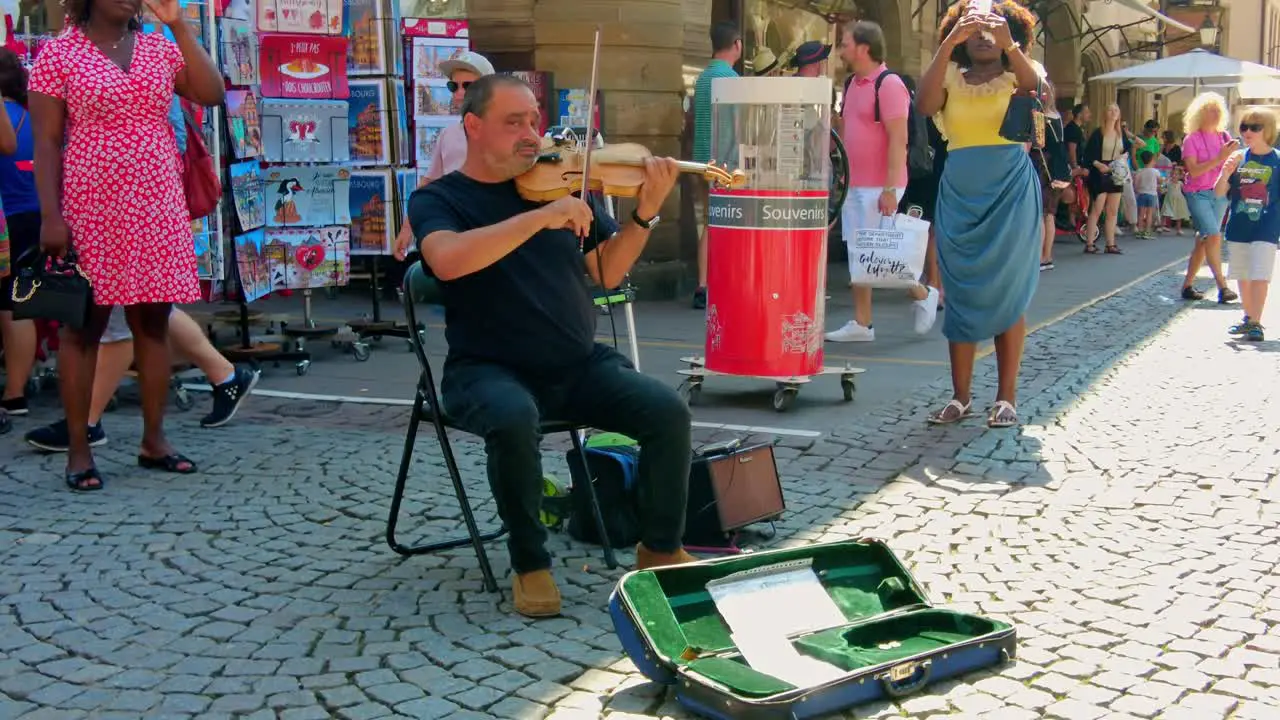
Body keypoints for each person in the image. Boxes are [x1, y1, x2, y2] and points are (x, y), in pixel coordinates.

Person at [408, 74, 695, 618]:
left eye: (533, 120)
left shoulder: (560, 182)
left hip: (575, 363)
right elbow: (445, 260)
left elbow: (607, 270)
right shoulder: (440, 198)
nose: (530, 134)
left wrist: (646, 214)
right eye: (513, 122)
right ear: (473, 126)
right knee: (514, 417)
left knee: (667, 412)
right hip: (486, 368)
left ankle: (658, 549)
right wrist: (540, 218)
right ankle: (530, 564)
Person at [29, 0, 226, 491]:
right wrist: (52, 215)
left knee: (153, 324)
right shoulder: (59, 54)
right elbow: (47, 142)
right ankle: (78, 449)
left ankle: (153, 440)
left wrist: (178, 23)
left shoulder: (159, 49)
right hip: (90, 202)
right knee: (84, 328)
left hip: (156, 201)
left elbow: (212, 92)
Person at [916, 0, 1041, 429]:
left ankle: (1006, 398)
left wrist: (1012, 46)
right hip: (961, 190)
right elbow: (924, 105)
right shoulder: (950, 74)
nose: (985, 36)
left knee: (1009, 289)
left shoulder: (1018, 71)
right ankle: (961, 397)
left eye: (995, 28)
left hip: (1009, 189)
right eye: (975, 28)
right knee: (962, 289)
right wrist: (948, 44)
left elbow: (1035, 86)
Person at [825, 20, 939, 344]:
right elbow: (846, 133)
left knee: (880, 257)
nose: (842, 48)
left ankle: (922, 293)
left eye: (845, 42)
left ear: (863, 48)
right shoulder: (850, 84)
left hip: (880, 185)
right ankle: (862, 322)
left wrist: (890, 189)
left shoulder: (889, 85)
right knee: (859, 253)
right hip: (855, 183)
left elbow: (898, 139)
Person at [24, 307, 260, 450]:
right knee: (146, 307)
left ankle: (87, 423)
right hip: (129, 230)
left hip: (125, 230)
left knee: (128, 316)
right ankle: (226, 375)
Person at [392, 51, 494, 261]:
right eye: (453, 86)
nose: (458, 93)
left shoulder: (506, 132)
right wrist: (406, 228)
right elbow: (428, 184)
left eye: (467, 85)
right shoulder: (448, 135)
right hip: (456, 235)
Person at [1217, 107, 1280, 342]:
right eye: (1244, 127)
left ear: (1268, 130)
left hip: (1267, 225)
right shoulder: (1238, 157)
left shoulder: (1277, 160)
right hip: (1239, 225)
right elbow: (1219, 192)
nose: (1247, 132)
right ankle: (1248, 317)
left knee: (1260, 274)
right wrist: (1225, 172)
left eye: (1255, 127)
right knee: (1242, 273)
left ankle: (1256, 322)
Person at [690, 21, 741, 310]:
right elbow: (737, 126)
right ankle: (719, 283)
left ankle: (703, 284)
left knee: (708, 225)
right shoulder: (731, 80)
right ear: (736, 45)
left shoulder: (702, 78)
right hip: (725, 164)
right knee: (725, 225)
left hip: (700, 161)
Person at [1180, 91, 1238, 304]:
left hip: (1220, 194)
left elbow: (1232, 163)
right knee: (1213, 235)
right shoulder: (1191, 139)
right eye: (1209, 110)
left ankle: (1187, 285)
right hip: (1198, 193)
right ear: (1199, 113)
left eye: (1217, 110)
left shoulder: (1224, 137)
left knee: (1204, 240)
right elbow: (1194, 171)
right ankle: (1222, 286)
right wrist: (1219, 158)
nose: (1214, 114)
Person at [0, 48, 30, 433]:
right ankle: (16, 391)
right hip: (38, 213)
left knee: (9, 305)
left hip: (10, 215)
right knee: (17, 306)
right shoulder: (31, 115)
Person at [1082, 104, 1130, 255]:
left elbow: (1127, 149)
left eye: (1116, 110)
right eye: (1110, 110)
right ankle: (1089, 243)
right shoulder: (1098, 133)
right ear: (1105, 113)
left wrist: (1123, 157)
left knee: (1112, 211)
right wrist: (1098, 165)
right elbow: (1089, 155)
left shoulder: (1121, 133)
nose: (1113, 112)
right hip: (1100, 172)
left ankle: (1111, 244)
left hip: (1116, 172)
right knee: (1097, 209)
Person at [1034, 81, 1070, 270]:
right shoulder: (1057, 117)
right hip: (1058, 169)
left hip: (1044, 166)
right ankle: (1047, 256)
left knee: (1041, 214)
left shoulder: (1041, 116)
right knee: (1050, 215)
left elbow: (1038, 144)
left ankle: (1040, 256)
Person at [1134, 150, 1161, 239]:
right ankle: (1147, 232)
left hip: (1141, 194)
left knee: (1141, 214)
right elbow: (1160, 180)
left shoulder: (1140, 171)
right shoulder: (1155, 171)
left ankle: (1140, 230)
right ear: (1152, 160)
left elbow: (1136, 183)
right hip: (1152, 194)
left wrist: (1137, 190)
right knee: (1149, 214)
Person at [1162, 163, 1190, 234]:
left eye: (1177, 174)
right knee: (1165, 213)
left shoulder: (1180, 183)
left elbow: (1185, 190)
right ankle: (1161, 226)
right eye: (1173, 174)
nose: (1174, 175)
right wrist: (1162, 189)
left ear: (1180, 176)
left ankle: (1178, 229)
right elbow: (1163, 187)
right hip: (1169, 200)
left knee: (1178, 215)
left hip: (1178, 201)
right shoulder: (1168, 182)